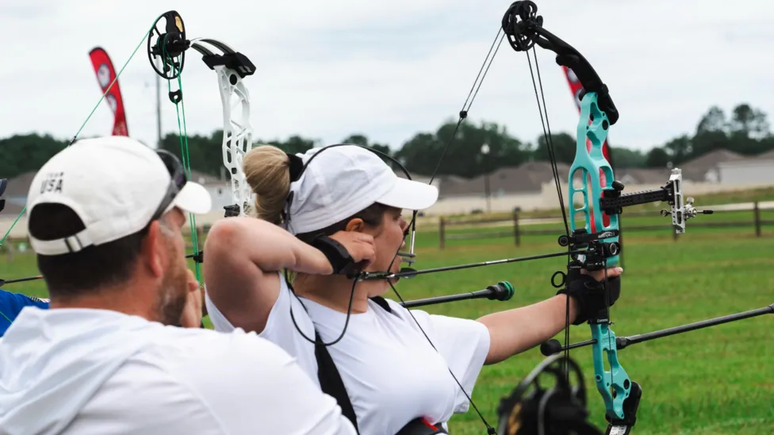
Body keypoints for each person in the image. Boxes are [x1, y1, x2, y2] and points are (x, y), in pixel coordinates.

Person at [203, 144, 623, 435]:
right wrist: (328, 258)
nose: (405, 229)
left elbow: (489, 336)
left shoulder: (391, 318)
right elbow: (228, 241)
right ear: (355, 233)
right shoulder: (279, 323)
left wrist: (579, 299)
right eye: (396, 217)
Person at [0, 136, 356, 435]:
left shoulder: (11, 363)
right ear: (155, 247)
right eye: (178, 231)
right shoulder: (227, 370)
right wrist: (188, 344)